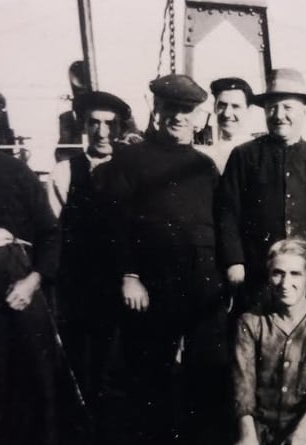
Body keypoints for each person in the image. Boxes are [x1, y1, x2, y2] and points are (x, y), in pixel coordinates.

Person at [96, 74, 224, 445]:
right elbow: (115, 225)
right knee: (148, 378)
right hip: (150, 287)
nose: (179, 117)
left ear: (199, 117)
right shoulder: (131, 160)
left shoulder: (204, 166)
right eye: (172, 108)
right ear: (158, 109)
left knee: (203, 377)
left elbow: (216, 222)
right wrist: (129, 275)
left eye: (187, 110)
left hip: (201, 286)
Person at [0, 76, 84, 444]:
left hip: (17, 294)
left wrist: (32, 282)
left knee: (31, 386)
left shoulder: (15, 171)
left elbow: (50, 234)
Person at [218, 68, 306, 309]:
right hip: (258, 273)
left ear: (304, 112)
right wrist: (234, 261)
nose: (279, 115)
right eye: (272, 108)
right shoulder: (244, 156)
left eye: (288, 108)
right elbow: (227, 212)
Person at [47, 91, 132, 439]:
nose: (102, 131)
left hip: (126, 289)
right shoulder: (65, 172)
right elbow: (51, 233)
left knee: (120, 372)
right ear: (84, 126)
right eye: (94, 123)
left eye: (110, 124)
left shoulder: (133, 170)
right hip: (78, 290)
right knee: (80, 370)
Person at [233, 238, 306, 445]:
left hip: (304, 429)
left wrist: (301, 434)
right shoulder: (250, 322)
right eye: (278, 273)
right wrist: (247, 434)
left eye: (295, 274)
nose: (285, 283)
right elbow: (242, 384)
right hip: (258, 428)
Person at [196, 76, 255, 173]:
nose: (227, 113)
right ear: (214, 107)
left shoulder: (258, 153)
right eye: (222, 105)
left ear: (249, 109)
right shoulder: (206, 155)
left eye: (235, 106)